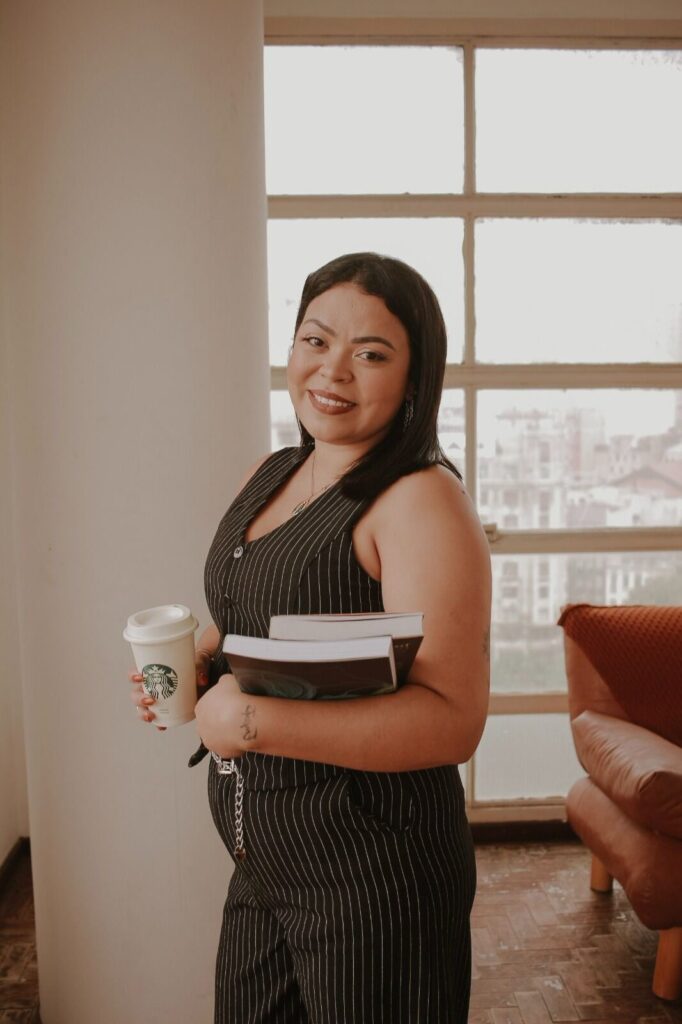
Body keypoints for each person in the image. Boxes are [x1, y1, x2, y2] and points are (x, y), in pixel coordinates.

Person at [128, 252, 491, 1023]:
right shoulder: (275, 471)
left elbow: (452, 718)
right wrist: (201, 656)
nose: (333, 370)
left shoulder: (421, 501)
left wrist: (251, 721)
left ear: (415, 378)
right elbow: (260, 611)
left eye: (372, 354)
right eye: (316, 340)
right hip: (264, 866)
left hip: (376, 882)